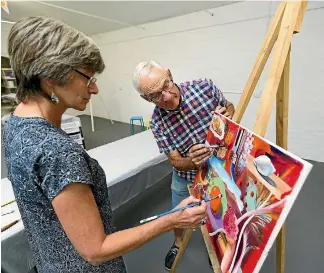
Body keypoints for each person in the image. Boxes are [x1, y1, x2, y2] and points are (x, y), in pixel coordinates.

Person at [2, 17, 207, 273]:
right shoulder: (58, 152)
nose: (95, 88)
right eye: (88, 78)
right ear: (50, 77)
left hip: (50, 260)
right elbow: (96, 250)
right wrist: (172, 219)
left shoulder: (15, 124)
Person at [132, 61, 235, 270]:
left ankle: (216, 248)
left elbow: (230, 106)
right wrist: (191, 161)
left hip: (219, 168)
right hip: (185, 178)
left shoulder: (204, 87)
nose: (167, 97)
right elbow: (176, 162)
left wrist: (228, 114)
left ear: (170, 74)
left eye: (166, 86)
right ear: (145, 98)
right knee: (177, 215)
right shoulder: (158, 123)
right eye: (156, 96)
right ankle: (178, 243)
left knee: (221, 212)